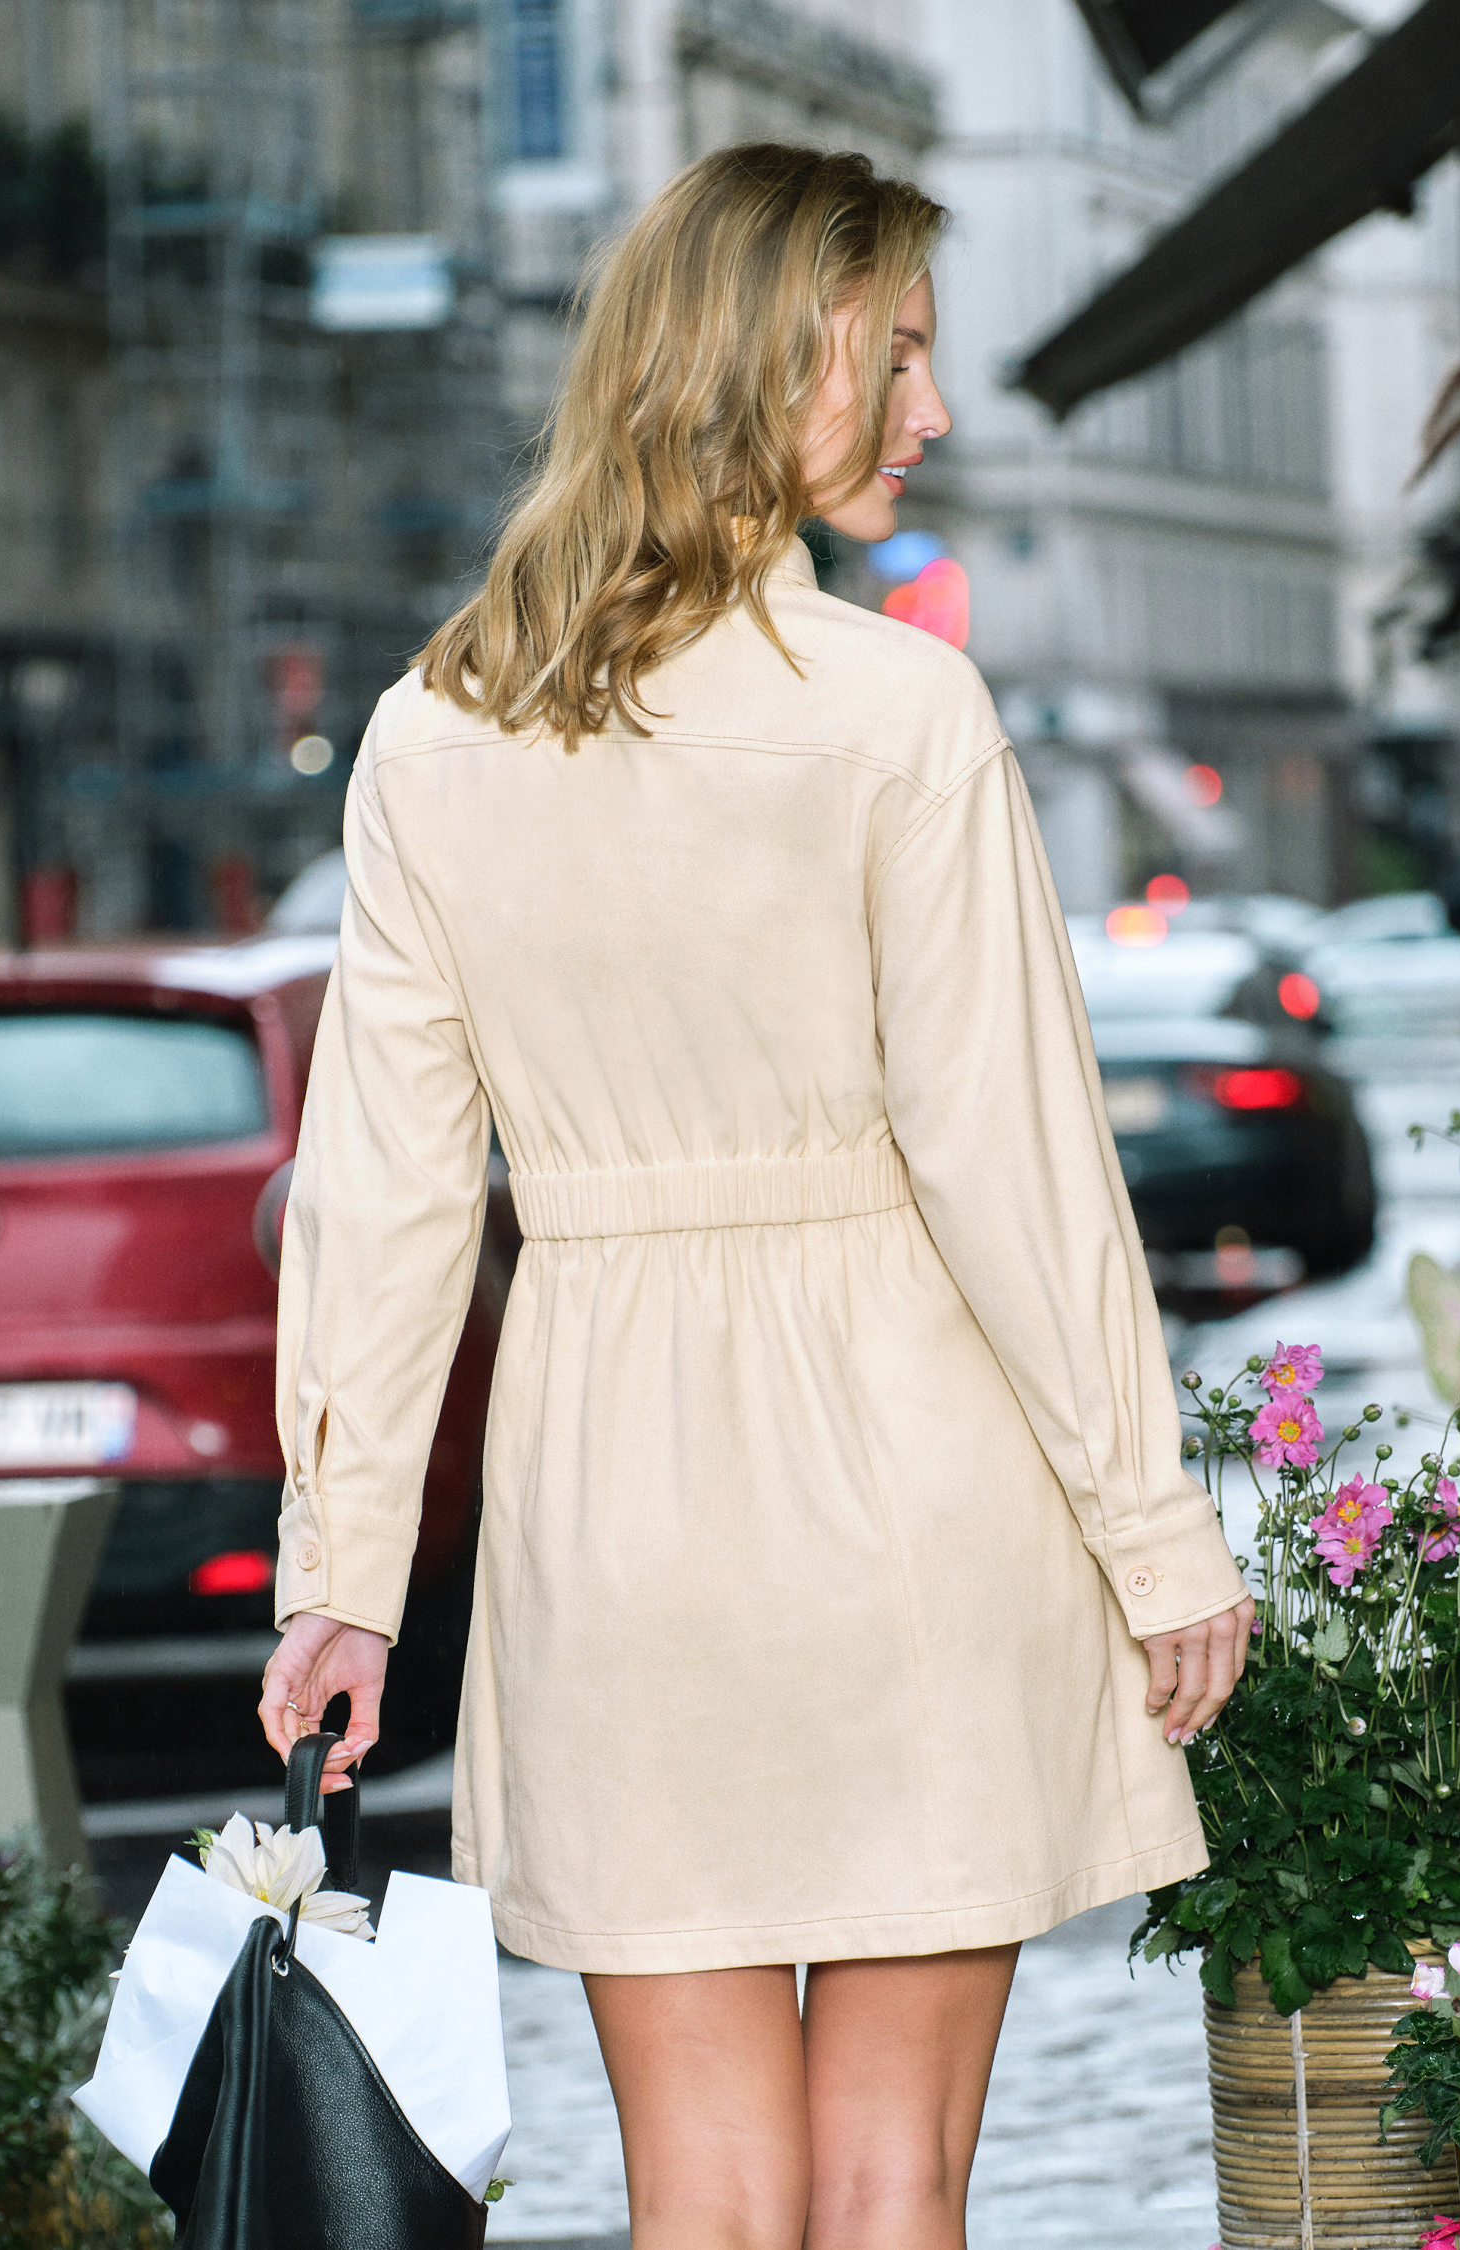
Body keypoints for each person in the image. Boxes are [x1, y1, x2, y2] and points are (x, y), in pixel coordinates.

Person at [260, 143, 1255, 2250]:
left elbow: (384, 1197)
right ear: (762, 358)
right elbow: (1014, 1164)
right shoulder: (897, 712)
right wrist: (1157, 1534)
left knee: (700, 2198)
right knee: (896, 2183)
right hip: (909, 1480)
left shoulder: (434, 733)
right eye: (896, 351)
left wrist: (340, 1569)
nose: (934, 406)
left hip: (612, 1510)